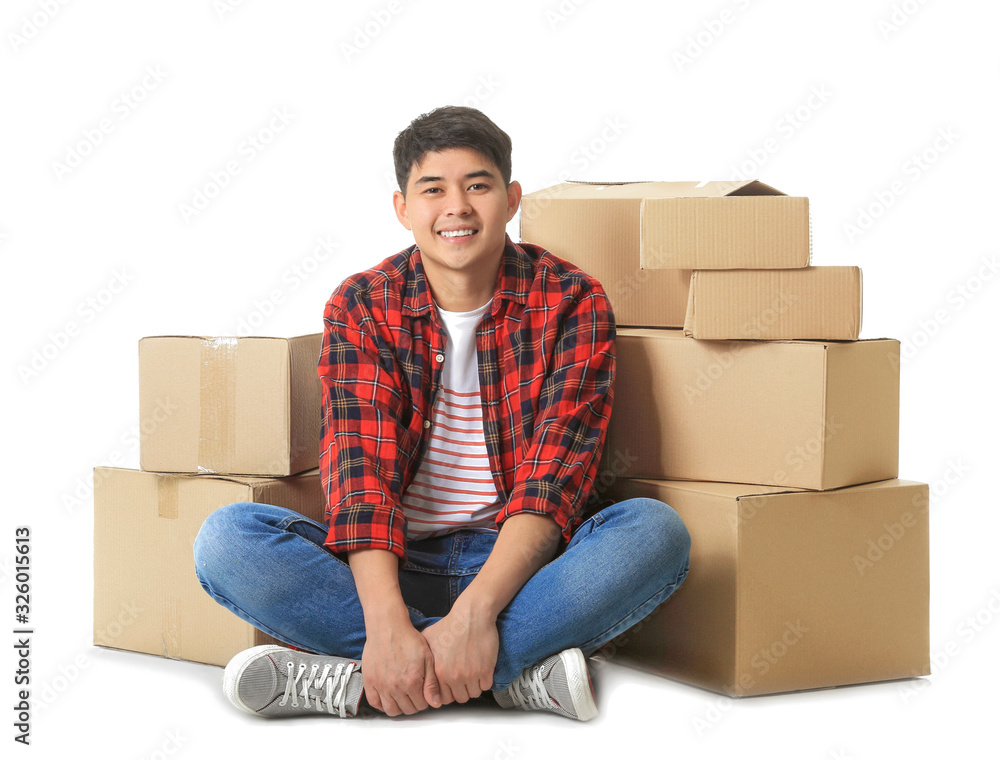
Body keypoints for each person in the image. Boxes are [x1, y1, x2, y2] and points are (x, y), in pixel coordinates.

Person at [193, 106, 690, 721]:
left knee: (654, 533)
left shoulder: (570, 297)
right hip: (389, 569)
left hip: (518, 573)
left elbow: (554, 480)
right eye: (433, 189)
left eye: (477, 185)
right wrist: (385, 624)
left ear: (510, 200)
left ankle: (361, 684)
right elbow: (359, 476)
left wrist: (477, 614)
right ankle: (506, 678)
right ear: (403, 208)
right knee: (228, 541)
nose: (457, 206)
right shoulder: (363, 303)